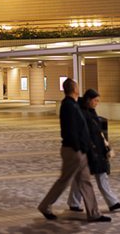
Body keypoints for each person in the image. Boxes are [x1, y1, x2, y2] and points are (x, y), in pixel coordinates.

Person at [38, 78, 111, 223]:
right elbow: (72, 130)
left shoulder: (73, 104)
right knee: (64, 181)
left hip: (80, 150)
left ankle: (94, 213)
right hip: (73, 151)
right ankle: (45, 206)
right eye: (77, 85)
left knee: (85, 181)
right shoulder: (68, 106)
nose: (79, 87)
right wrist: (79, 147)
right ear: (73, 88)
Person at [67, 89, 120, 213]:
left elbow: (97, 131)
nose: (97, 103)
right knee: (81, 177)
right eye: (95, 100)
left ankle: (112, 202)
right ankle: (74, 203)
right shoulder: (81, 112)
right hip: (88, 149)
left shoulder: (90, 111)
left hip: (97, 149)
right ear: (89, 99)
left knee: (100, 175)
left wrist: (105, 144)